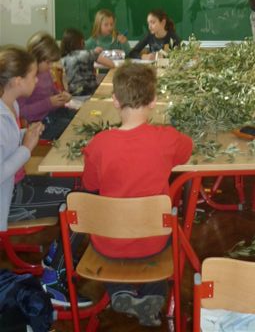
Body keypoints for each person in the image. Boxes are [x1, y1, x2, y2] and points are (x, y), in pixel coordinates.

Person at [81, 62, 193, 326]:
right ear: (153, 101)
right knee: (167, 233)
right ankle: (154, 294)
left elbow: (89, 185)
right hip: (152, 242)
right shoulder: (166, 138)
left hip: (108, 243)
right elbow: (187, 150)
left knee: (103, 234)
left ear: (115, 101)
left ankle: (119, 291)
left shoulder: (99, 144)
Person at [0, 45, 78, 252]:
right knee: (79, 202)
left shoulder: (12, 105)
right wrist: (26, 148)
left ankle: (58, 255)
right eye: (33, 76)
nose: (36, 80)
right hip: (8, 200)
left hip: (19, 183)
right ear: (18, 81)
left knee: (79, 183)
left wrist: (25, 134)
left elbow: (6, 142)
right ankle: (57, 266)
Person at [18, 32, 76, 141]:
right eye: (48, 62)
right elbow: (21, 111)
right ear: (35, 58)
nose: (51, 66)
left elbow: (52, 90)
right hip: (40, 123)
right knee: (71, 128)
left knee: (78, 117)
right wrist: (48, 103)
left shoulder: (45, 72)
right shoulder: (25, 79)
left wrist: (62, 97)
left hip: (53, 113)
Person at [60, 28, 115, 97]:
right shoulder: (88, 54)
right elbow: (111, 64)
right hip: (90, 92)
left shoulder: (64, 59)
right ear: (81, 42)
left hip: (74, 94)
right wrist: (94, 54)